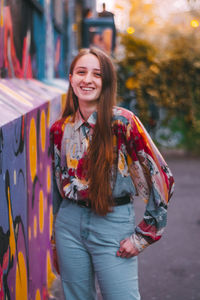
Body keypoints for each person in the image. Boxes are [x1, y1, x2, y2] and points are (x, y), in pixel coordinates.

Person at [50, 47, 174, 300]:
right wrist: (54, 240)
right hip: (68, 224)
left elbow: (162, 177)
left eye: (96, 74)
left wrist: (144, 234)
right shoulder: (60, 129)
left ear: (105, 82)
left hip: (112, 222)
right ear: (71, 78)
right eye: (81, 72)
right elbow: (56, 188)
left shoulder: (123, 123)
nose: (87, 80)